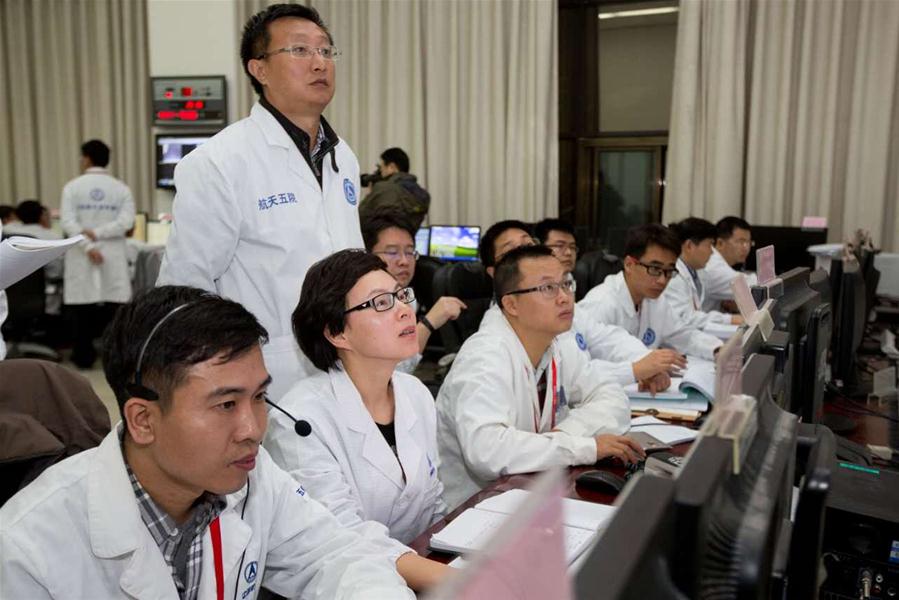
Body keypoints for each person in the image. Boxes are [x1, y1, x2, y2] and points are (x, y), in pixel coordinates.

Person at [0, 285, 414, 599]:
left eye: (258, 398)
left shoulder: (252, 477)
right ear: (143, 420)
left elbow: (338, 556)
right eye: (226, 404)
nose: (252, 429)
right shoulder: (25, 548)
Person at [158, 4, 363, 401]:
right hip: (266, 379)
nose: (320, 63)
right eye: (300, 51)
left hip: (347, 365)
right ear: (260, 69)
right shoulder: (219, 162)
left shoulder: (343, 157)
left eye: (326, 50)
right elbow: (186, 289)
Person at [265, 250, 449, 589]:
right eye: (381, 303)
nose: (404, 310)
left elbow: (433, 504)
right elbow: (341, 538)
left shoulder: (415, 393)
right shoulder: (301, 420)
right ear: (337, 334)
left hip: (420, 572)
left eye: (400, 295)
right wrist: (458, 578)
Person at [436, 245, 644, 509]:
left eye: (566, 284)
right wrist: (583, 447)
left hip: (532, 495)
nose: (565, 298)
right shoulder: (484, 357)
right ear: (511, 304)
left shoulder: (558, 342)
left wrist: (567, 436)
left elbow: (612, 397)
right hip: (469, 513)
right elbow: (486, 452)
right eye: (548, 288)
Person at [482, 220, 679, 393]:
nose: (526, 253)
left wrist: (648, 363)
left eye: (529, 244)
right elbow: (573, 379)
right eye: (512, 250)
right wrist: (636, 370)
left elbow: (606, 339)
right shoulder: (491, 346)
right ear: (494, 273)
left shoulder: (563, 305)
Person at [579, 224, 723, 360]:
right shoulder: (600, 303)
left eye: (669, 271)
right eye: (654, 269)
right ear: (629, 265)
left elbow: (683, 335)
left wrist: (717, 349)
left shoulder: (656, 301)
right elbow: (585, 366)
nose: (662, 280)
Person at [60, 139, 135, 369]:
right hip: (112, 255)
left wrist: (88, 244)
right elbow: (127, 222)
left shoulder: (72, 187)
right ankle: (114, 360)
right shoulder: (121, 188)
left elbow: (68, 222)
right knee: (115, 311)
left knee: (82, 312)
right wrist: (100, 234)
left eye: (82, 157)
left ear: (88, 158)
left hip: (81, 256)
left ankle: (84, 358)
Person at [361, 209, 466, 372]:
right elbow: (390, 373)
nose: (404, 261)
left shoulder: (406, 297)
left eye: (409, 252)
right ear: (367, 255)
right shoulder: (360, 306)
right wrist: (428, 323)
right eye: (392, 252)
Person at [664, 217, 743, 330]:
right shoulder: (674, 277)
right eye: (709, 245)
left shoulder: (697, 271)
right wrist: (730, 319)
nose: (712, 252)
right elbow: (686, 319)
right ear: (689, 246)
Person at [359, 147, 431, 230]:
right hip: (409, 241)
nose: (381, 173)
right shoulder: (423, 195)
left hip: (384, 241)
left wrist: (370, 194)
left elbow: (361, 219)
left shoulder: (383, 189)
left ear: (391, 167)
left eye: (382, 168)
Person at [703, 216, 755, 311]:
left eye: (748, 242)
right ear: (720, 243)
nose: (746, 248)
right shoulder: (714, 266)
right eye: (741, 242)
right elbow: (754, 286)